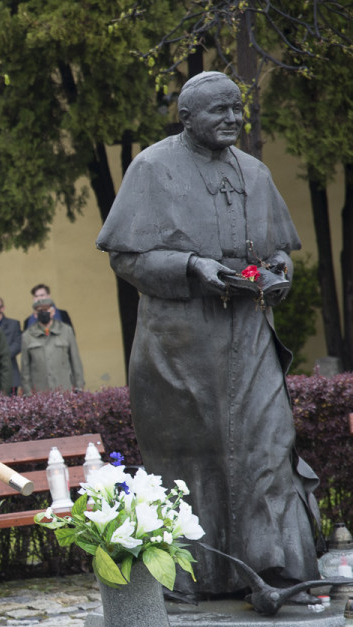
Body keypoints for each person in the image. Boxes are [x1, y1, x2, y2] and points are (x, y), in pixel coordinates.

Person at [96, 70, 319, 597]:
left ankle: (275, 569)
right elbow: (125, 257)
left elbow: (279, 248)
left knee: (269, 445)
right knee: (191, 460)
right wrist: (191, 266)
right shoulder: (152, 167)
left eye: (237, 109)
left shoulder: (255, 172)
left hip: (250, 334)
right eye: (220, 110)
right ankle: (199, 578)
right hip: (180, 342)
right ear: (187, 117)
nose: (232, 118)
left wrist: (280, 271)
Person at [20, 297, 85, 394]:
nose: (43, 313)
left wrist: (79, 386)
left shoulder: (66, 330)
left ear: (53, 311)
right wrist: (28, 392)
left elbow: (75, 361)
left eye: (46, 309)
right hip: (40, 391)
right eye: (40, 311)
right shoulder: (27, 335)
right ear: (35, 314)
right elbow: (25, 368)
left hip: (64, 388)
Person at [0, 295, 23, 394]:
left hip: (10, 373)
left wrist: (2, 356)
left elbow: (18, 344)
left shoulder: (13, 324)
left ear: (2, 308)